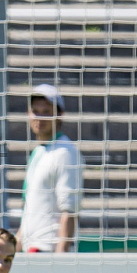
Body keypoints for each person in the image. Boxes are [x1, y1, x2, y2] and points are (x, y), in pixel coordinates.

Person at [16, 83, 84, 253]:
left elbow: (69, 211)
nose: (40, 117)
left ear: (60, 115)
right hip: (31, 250)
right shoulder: (39, 151)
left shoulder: (65, 152)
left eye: (47, 112)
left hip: (48, 252)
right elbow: (30, 210)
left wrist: (59, 260)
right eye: (35, 111)